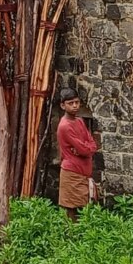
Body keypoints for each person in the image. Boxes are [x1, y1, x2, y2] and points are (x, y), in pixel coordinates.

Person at [56, 87, 98, 221]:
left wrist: (86, 148)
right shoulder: (65, 126)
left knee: (85, 211)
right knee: (72, 213)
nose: (75, 106)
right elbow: (85, 150)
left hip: (83, 173)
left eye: (76, 102)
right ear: (63, 105)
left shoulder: (79, 121)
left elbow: (92, 145)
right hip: (72, 173)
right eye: (70, 103)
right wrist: (85, 148)